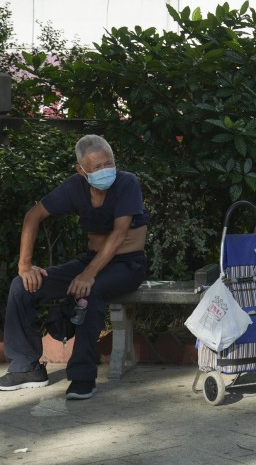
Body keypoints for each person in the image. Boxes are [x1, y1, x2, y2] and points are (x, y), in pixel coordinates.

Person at [1, 135, 148, 400]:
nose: (105, 170)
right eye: (96, 167)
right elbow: (33, 215)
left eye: (109, 163)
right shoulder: (74, 187)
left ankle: (82, 377)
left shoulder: (127, 183)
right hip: (90, 260)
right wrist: (25, 266)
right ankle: (26, 368)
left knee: (88, 292)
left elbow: (119, 234)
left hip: (128, 264)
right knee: (21, 287)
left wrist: (88, 275)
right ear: (81, 170)